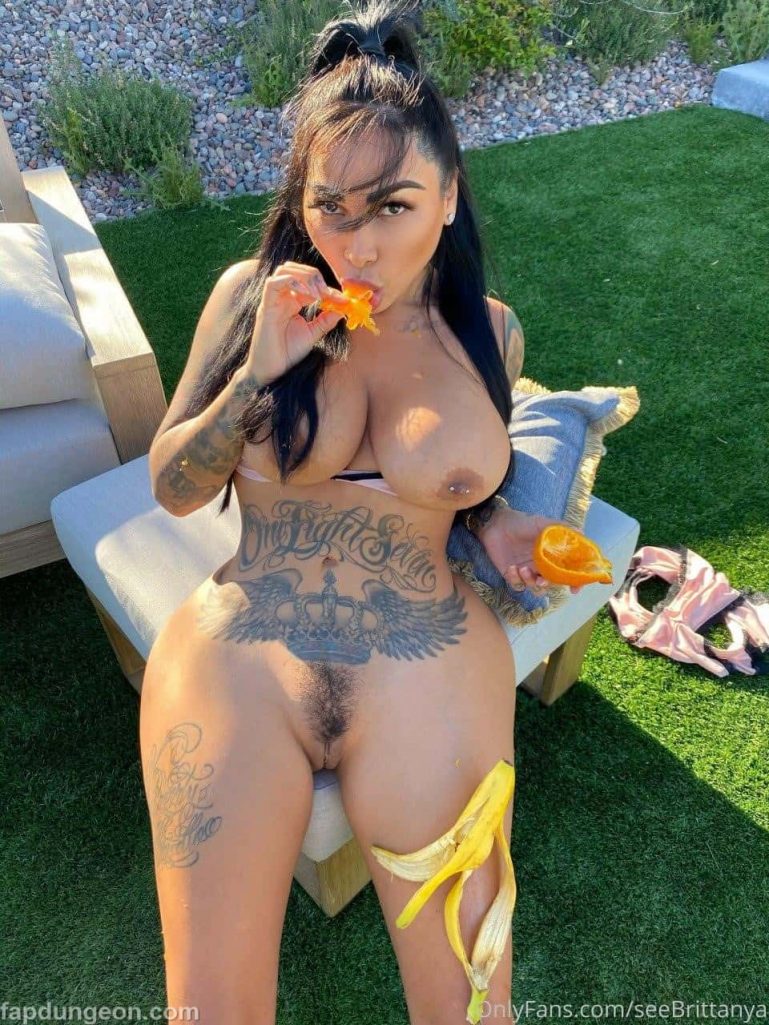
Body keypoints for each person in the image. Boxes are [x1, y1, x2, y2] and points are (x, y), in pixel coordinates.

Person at [141, 2, 584, 1021]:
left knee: (472, 1008)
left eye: (392, 205)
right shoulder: (253, 299)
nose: (358, 245)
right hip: (242, 654)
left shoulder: (490, 331)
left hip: (428, 661)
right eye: (330, 207)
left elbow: (455, 479)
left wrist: (496, 522)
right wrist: (257, 373)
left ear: (448, 194)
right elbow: (173, 487)